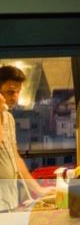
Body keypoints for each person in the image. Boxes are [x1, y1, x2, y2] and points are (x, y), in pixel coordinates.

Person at [0, 65, 51, 212]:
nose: (15, 97)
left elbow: (15, 158)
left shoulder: (9, 118)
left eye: (18, 91)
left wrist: (39, 190)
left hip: (9, 199)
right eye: (10, 92)